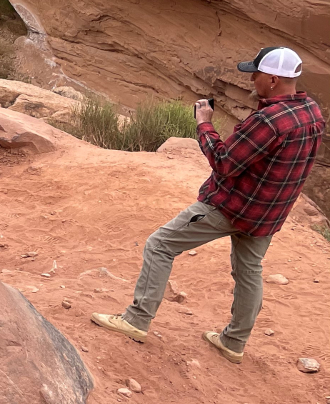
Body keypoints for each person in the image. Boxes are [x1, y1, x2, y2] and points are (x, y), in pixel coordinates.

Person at [91, 46, 324, 364]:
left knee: (160, 245)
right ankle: (234, 342)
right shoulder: (311, 110)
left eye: (255, 74)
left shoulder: (269, 120)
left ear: (272, 79)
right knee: (249, 270)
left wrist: (204, 122)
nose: (251, 79)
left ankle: (136, 321)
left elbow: (224, 162)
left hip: (231, 207)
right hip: (269, 214)